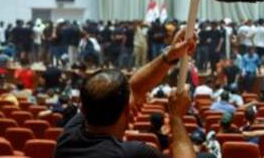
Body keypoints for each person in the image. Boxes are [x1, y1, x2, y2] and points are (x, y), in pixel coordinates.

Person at [54, 29, 195, 158]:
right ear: (128, 110)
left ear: (83, 108)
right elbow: (134, 89)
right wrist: (176, 117)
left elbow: (135, 88)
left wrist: (170, 55)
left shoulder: (66, 140)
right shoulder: (134, 154)